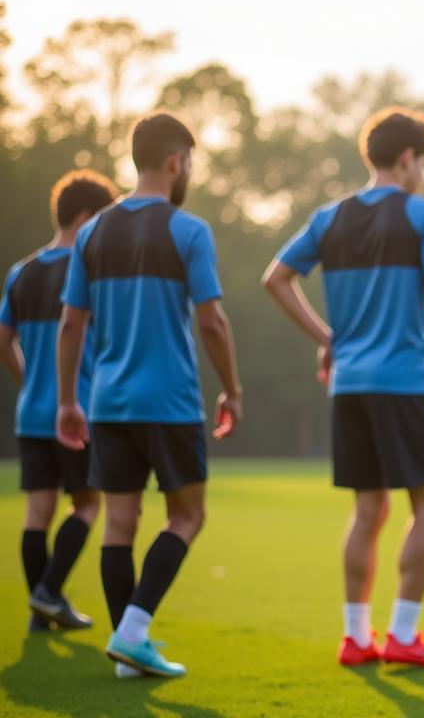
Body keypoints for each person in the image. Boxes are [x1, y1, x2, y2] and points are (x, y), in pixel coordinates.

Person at [262, 107, 424, 669]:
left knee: (367, 509)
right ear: (407, 158)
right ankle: (402, 633)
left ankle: (355, 636)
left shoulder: (329, 219)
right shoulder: (423, 214)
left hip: (348, 383)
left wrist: (327, 337)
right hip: (404, 381)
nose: (423, 173)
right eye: (423, 162)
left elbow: (276, 278)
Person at [57, 112, 243, 679]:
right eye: (188, 160)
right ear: (174, 161)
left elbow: (71, 325)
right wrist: (232, 389)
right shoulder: (187, 231)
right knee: (187, 516)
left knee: (120, 523)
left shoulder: (92, 232)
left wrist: (69, 400)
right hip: (169, 401)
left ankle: (125, 653)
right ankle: (134, 632)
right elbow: (211, 322)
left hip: (108, 402)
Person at [0, 170, 117, 631]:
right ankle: (49, 593)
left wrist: (30, 379)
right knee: (88, 503)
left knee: (39, 511)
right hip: (78, 410)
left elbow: (3, 337)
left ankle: (40, 611)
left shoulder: (21, 272)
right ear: (86, 218)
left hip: (32, 411)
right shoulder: (86, 270)